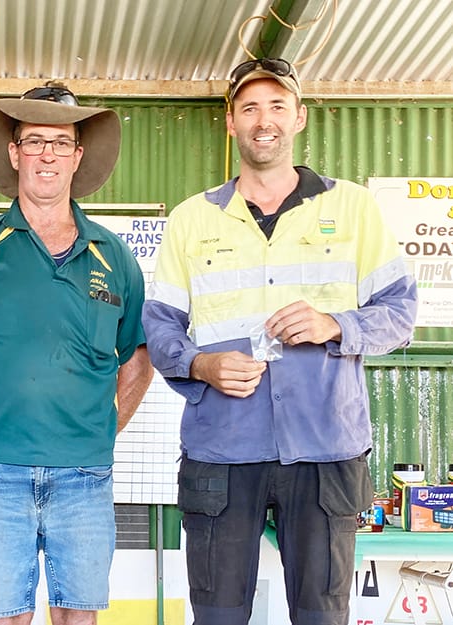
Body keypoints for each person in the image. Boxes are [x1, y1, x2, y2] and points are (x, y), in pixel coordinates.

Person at [142, 58, 418, 625]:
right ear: (230, 123)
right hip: (223, 450)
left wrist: (337, 324)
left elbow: (401, 313)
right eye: (249, 108)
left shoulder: (353, 209)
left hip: (324, 449)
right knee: (217, 617)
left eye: (276, 106)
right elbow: (160, 325)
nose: (262, 120)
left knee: (322, 615)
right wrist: (201, 364)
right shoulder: (193, 220)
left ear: (299, 118)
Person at [0, 84, 153, 625]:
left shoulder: (114, 256)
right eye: (34, 141)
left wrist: (100, 428)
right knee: (7, 618)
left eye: (59, 142)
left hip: (85, 475)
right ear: (14, 153)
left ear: (77, 157)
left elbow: (136, 359)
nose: (46, 153)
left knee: (78, 618)